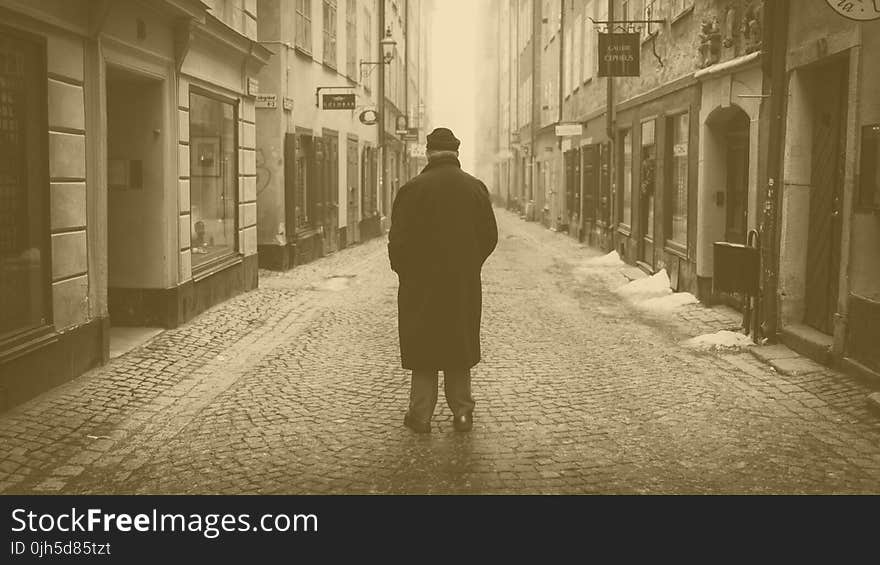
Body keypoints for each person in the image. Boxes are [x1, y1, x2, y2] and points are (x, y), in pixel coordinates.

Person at [388, 127, 498, 433]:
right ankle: (462, 412)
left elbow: (397, 241)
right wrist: (469, 264)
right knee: (457, 346)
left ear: (428, 153)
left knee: (424, 350)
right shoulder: (475, 188)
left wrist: (407, 272)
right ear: (456, 154)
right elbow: (490, 236)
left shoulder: (412, 189)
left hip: (420, 286)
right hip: (461, 285)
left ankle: (420, 416)